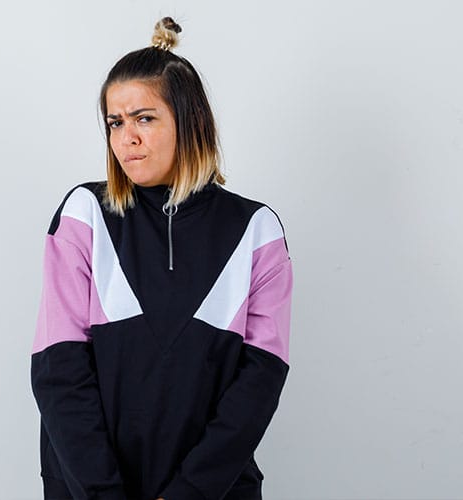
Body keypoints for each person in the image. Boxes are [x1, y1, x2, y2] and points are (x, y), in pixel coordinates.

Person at [30, 16, 293, 500]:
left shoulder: (256, 231)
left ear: (189, 121)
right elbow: (57, 371)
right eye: (115, 122)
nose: (126, 137)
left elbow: (259, 383)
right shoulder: (85, 214)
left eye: (144, 118)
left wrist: (189, 493)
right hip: (91, 489)